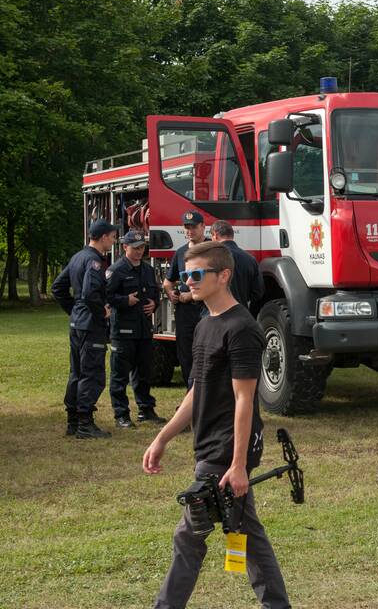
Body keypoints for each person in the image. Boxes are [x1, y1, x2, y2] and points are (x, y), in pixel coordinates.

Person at [143, 240, 290, 609]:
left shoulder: (241, 329)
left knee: (189, 537)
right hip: (208, 445)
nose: (187, 282)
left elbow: (245, 400)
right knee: (244, 532)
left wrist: (238, 465)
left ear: (223, 276)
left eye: (196, 274)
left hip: (225, 450)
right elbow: (197, 391)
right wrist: (162, 438)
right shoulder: (206, 325)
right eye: (184, 275)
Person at [51, 218, 118, 439]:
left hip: (78, 324)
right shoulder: (94, 261)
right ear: (102, 237)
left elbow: (58, 287)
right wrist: (100, 312)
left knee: (77, 372)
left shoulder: (78, 257)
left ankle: (72, 421)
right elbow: (90, 294)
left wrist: (75, 310)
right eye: (112, 235)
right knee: (92, 373)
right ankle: (85, 424)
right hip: (91, 325)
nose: (114, 239)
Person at [105, 230, 166, 427]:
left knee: (144, 373)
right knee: (120, 375)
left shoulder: (147, 270)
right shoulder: (116, 270)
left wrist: (154, 304)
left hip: (143, 330)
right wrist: (125, 300)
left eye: (142, 248)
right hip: (123, 331)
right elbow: (105, 296)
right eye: (135, 248)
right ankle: (121, 415)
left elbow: (155, 292)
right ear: (125, 247)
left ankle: (145, 410)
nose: (139, 252)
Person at [163, 211, 206, 388]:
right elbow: (168, 281)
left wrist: (192, 295)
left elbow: (219, 282)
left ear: (203, 226)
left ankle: (205, 398)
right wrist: (170, 293)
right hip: (185, 313)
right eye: (186, 227)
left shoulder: (213, 249)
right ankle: (191, 395)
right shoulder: (181, 252)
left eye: (193, 227)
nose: (189, 231)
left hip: (206, 310)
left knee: (206, 354)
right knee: (185, 355)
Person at [209, 220, 264, 315]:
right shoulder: (250, 259)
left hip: (216, 315)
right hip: (242, 315)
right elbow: (258, 292)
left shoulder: (210, 257)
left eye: (211, 236)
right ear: (232, 235)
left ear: (215, 235)